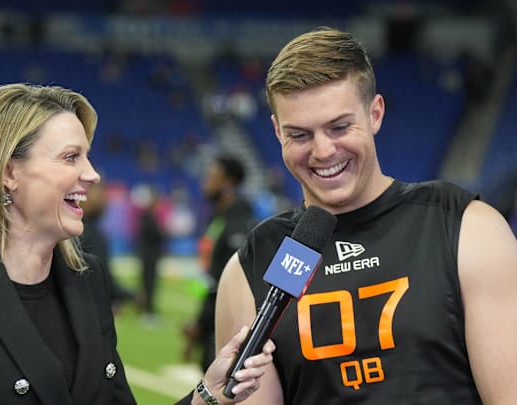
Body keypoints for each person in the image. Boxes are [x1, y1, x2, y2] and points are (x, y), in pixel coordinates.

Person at [0, 83, 274, 405]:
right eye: (71, 157)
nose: (93, 174)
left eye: (87, 156)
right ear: (8, 172)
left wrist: (208, 393)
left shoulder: (87, 279)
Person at [215, 27, 517, 404]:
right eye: (300, 135)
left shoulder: (466, 228)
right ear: (277, 132)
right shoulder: (253, 265)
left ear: (375, 113)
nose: (323, 151)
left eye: (340, 127)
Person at [183, 154, 257, 371]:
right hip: (213, 319)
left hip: (230, 325)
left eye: (212, 176)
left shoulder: (239, 221)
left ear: (228, 182)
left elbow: (229, 279)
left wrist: (201, 323)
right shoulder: (219, 218)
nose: (206, 181)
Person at [80, 180, 134, 313]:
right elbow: (102, 275)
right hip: (90, 306)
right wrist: (126, 295)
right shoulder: (90, 233)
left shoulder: (81, 230)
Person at [135, 184, 165, 323]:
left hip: (149, 254)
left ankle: (146, 308)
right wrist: (162, 232)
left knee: (149, 282)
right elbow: (155, 235)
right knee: (149, 282)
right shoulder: (148, 216)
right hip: (149, 255)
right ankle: (147, 310)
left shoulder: (148, 216)